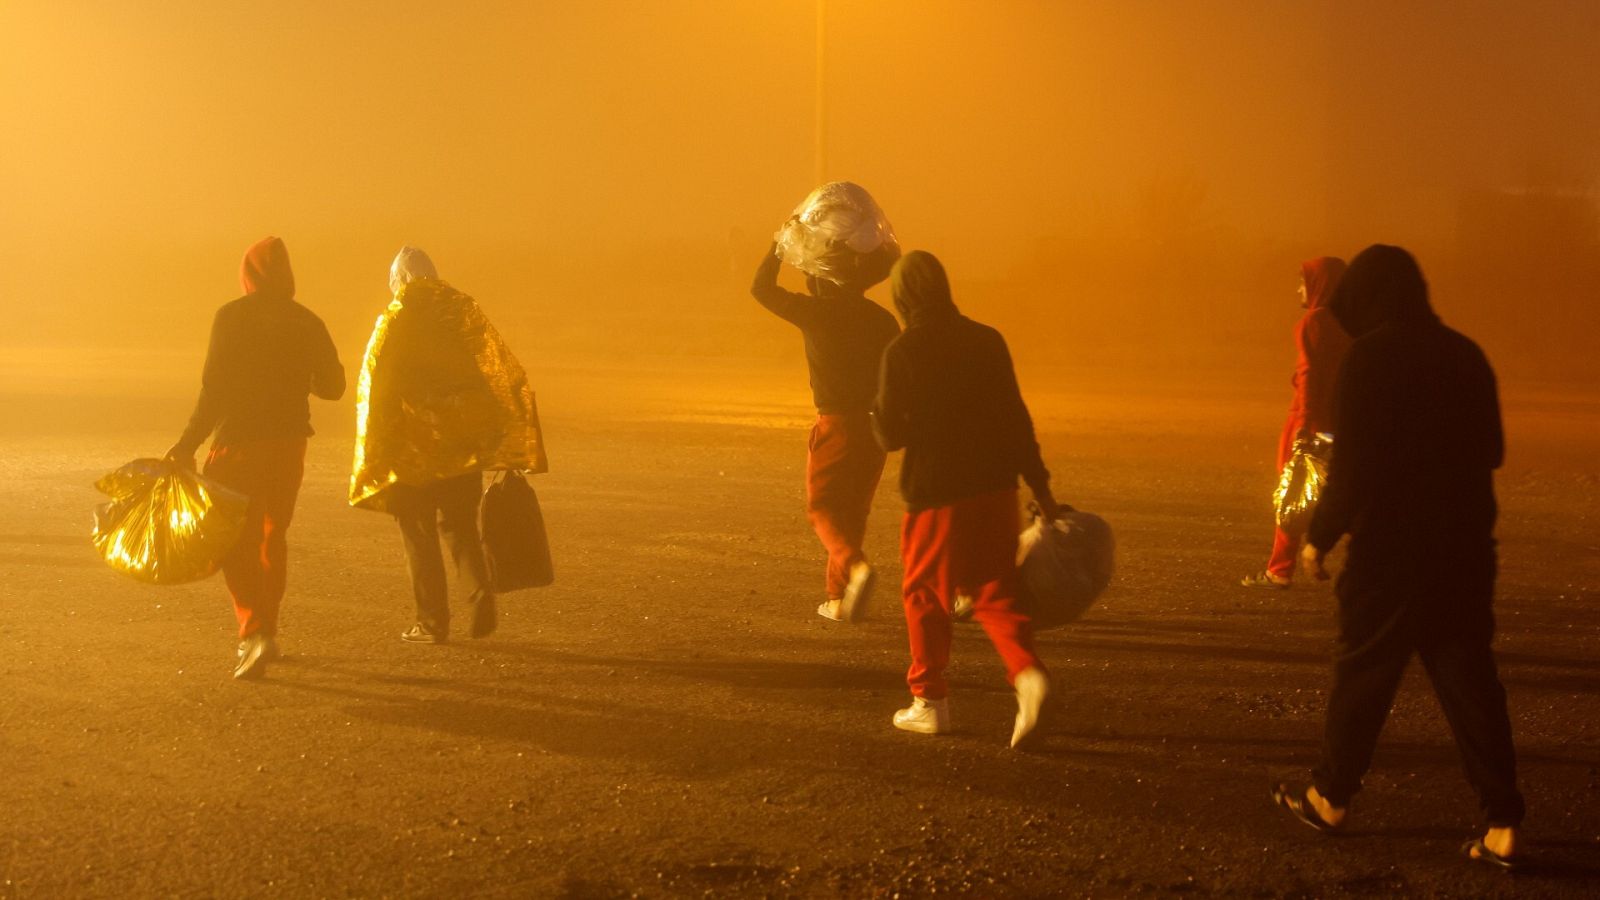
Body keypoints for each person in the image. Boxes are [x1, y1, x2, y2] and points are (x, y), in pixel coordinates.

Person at [1272, 245, 1525, 870]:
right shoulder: (1466, 354)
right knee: (1470, 683)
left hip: (1390, 551)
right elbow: (1492, 449)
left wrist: (1319, 537)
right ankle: (1504, 822)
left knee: (1363, 673)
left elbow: (1353, 467)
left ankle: (1330, 797)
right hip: (1464, 548)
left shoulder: (1369, 358)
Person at [871, 250, 1060, 748]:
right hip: (997, 489)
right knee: (994, 590)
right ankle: (1027, 674)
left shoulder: (902, 350)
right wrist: (1042, 490)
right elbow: (1017, 421)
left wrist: (878, 411)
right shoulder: (987, 340)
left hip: (937, 495)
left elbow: (888, 435)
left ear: (902, 295)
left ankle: (929, 701)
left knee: (924, 595)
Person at [166, 236, 345, 680]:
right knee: (272, 535)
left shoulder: (230, 317)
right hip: (288, 445)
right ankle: (268, 629)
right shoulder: (308, 321)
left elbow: (214, 391)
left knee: (234, 540)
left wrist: (187, 443)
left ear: (247, 274)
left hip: (239, 444)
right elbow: (334, 387)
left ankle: (254, 632)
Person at [349, 247, 546, 644]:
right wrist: (496, 437)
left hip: (412, 453)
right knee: (460, 528)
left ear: (400, 281)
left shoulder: (395, 322)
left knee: (418, 534)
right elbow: (491, 373)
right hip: (461, 448)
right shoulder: (459, 316)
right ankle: (478, 593)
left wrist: (379, 448)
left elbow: (378, 389)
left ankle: (432, 622)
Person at [751, 240, 900, 623]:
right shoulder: (882, 319)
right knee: (853, 512)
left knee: (823, 509)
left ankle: (856, 567)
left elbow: (761, 289)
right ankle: (838, 598)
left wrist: (778, 247)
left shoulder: (816, 313)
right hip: (876, 427)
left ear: (822, 278)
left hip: (837, 425)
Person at [1241, 257, 1350, 589]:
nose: (1299, 289)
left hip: (1311, 419)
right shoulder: (1353, 324)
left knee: (1293, 492)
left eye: (1303, 282)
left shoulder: (1313, 323)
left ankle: (1280, 569)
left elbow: (1308, 376)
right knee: (1343, 492)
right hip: (1345, 420)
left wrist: (1304, 424)